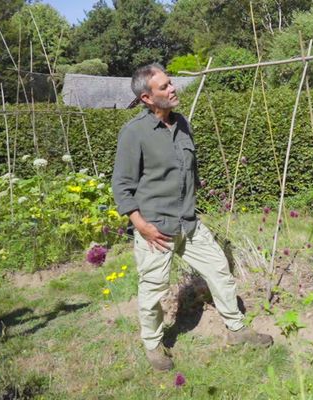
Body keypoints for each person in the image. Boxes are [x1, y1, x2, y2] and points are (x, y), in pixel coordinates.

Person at [112, 63, 272, 371]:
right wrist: (141, 226)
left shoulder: (182, 123)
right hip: (155, 228)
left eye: (171, 83)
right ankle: (153, 344)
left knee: (219, 270)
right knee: (154, 290)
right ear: (147, 98)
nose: (173, 89)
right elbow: (122, 184)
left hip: (189, 222)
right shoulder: (135, 133)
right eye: (164, 87)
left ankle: (236, 330)